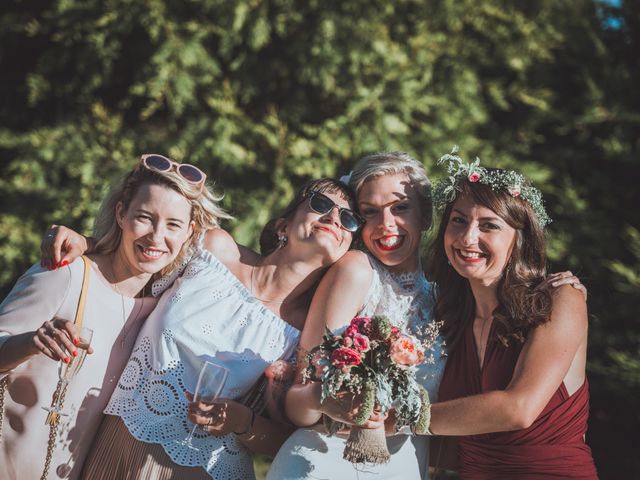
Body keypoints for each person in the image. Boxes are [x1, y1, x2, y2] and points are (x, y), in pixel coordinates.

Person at [50, 178, 360, 479]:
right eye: (321, 204)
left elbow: (293, 440)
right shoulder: (216, 249)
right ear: (283, 226)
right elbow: (140, 257)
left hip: (205, 468)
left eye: (348, 219)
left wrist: (243, 422)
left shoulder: (304, 334)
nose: (334, 217)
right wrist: (88, 244)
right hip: (117, 445)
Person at [0, 153, 225, 480]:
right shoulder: (67, 275)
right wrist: (30, 342)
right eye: (145, 217)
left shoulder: (163, 308)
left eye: (173, 224)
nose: (156, 236)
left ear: (189, 232)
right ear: (121, 214)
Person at [268, 152, 447, 480]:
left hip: (404, 468)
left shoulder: (443, 298)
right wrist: (330, 403)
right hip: (323, 463)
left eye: (400, 207)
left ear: (425, 216)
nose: (386, 224)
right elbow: (297, 400)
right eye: (370, 213)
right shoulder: (356, 271)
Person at [423, 149, 598, 478]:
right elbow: (446, 452)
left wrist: (396, 418)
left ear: (520, 240)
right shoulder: (446, 317)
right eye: (458, 221)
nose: (467, 237)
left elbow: (518, 410)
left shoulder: (560, 298)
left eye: (488, 225)